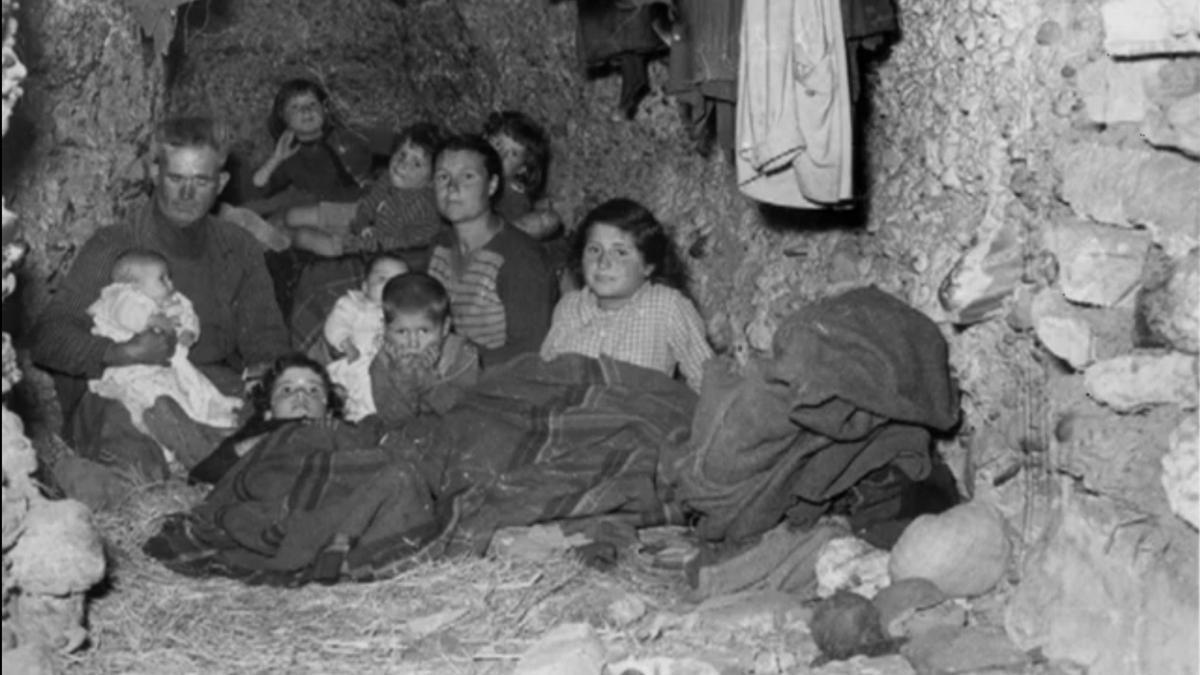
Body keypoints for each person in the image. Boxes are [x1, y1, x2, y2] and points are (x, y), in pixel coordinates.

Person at [32, 115, 290, 486]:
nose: (187, 194)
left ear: (221, 183)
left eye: (201, 181)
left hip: (203, 385)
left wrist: (265, 378)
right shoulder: (116, 246)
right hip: (126, 391)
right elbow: (49, 337)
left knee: (282, 423)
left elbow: (265, 334)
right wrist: (124, 353)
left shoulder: (239, 247)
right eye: (176, 178)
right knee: (137, 468)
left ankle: (215, 459)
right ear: (155, 173)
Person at [540, 198, 713, 391]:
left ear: (648, 265)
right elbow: (543, 377)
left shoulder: (667, 306)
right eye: (594, 249)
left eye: (620, 252)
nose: (603, 262)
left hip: (635, 417)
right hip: (572, 415)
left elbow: (707, 381)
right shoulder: (569, 308)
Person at [426, 134, 557, 368]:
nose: (452, 188)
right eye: (443, 177)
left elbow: (531, 352)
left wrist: (463, 358)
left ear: (492, 185)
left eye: (467, 177)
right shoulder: (440, 246)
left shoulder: (520, 261)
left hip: (494, 384)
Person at [87, 250, 243, 444]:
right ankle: (181, 435)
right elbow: (124, 314)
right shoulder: (121, 297)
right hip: (131, 370)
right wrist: (149, 319)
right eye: (162, 279)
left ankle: (211, 415)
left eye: (169, 277)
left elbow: (188, 314)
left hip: (168, 367)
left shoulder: (172, 300)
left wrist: (189, 331)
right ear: (133, 286)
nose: (170, 283)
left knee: (193, 386)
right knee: (160, 399)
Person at [291, 122, 445, 271]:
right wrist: (362, 221)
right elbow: (370, 202)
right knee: (294, 216)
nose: (403, 164)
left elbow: (392, 245)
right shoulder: (391, 177)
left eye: (416, 163)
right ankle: (275, 232)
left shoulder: (420, 208)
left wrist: (354, 241)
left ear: (432, 180)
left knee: (303, 237)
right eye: (402, 154)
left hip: (375, 249)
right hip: (366, 223)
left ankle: (280, 246)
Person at [189, 353, 351, 485]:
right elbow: (203, 474)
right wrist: (258, 443)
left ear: (328, 410)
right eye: (287, 390)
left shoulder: (337, 430)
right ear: (268, 411)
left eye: (313, 390)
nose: (300, 394)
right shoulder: (259, 433)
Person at [369, 272, 480, 426]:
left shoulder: (462, 355)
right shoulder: (382, 363)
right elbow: (393, 420)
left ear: (445, 327)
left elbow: (467, 413)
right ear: (384, 329)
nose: (413, 343)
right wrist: (401, 380)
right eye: (401, 332)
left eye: (423, 331)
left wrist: (430, 383)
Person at [323, 255, 409, 421]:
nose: (391, 286)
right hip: (359, 362)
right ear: (365, 287)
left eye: (400, 282)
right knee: (360, 395)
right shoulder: (354, 304)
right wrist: (345, 343)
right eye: (382, 278)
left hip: (394, 370)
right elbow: (336, 324)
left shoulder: (409, 312)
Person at [482, 111, 561, 240]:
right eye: (497, 144)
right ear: (485, 139)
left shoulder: (513, 197)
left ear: (522, 169)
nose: (500, 155)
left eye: (513, 154)